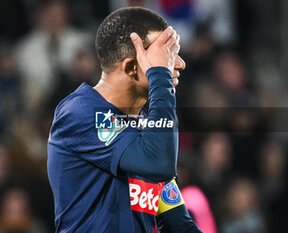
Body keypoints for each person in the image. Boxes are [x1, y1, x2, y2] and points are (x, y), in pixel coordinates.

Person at [47, 7, 202, 233]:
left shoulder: (149, 127)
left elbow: (177, 223)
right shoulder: (80, 113)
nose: (178, 64)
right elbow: (158, 163)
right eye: (164, 55)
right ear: (130, 66)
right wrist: (160, 76)